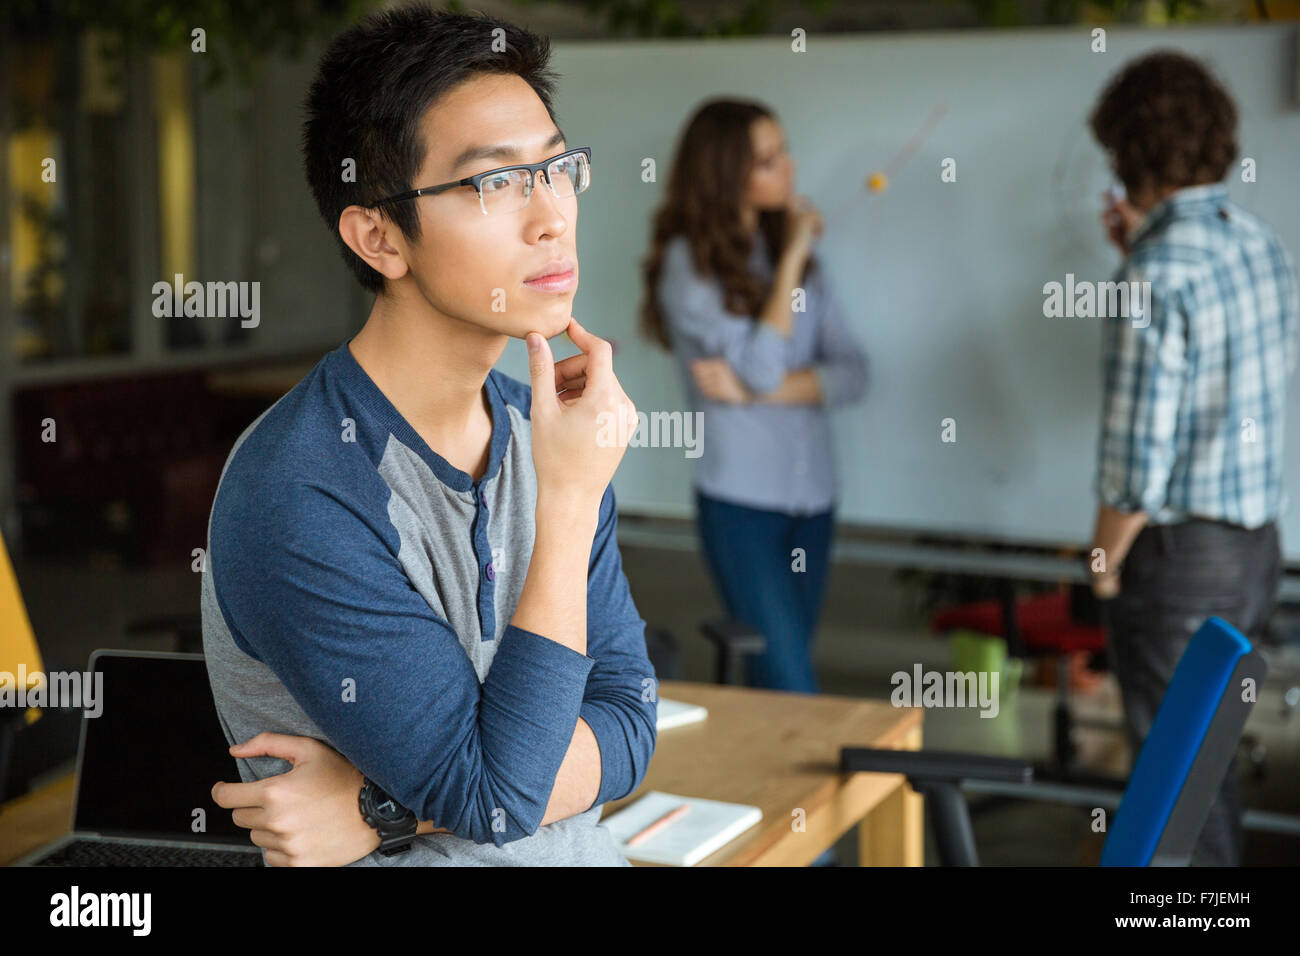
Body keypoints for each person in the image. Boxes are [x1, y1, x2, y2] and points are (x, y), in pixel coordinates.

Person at [200, 4, 656, 866]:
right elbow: (496, 797)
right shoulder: (298, 487)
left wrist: (381, 811)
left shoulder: (543, 431)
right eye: (494, 183)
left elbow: (631, 718)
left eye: (556, 168)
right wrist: (566, 499)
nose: (550, 215)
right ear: (378, 236)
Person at [1085, 50, 1299, 866]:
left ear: (1126, 155)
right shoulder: (1256, 242)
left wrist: (1103, 562)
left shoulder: (1153, 276)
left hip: (1181, 567)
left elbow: (1139, 465)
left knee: (1176, 792)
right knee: (1213, 770)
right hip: (1254, 549)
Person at [640, 99, 868, 694]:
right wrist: (794, 255)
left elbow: (853, 373)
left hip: (814, 497)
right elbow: (765, 368)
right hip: (740, 504)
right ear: (724, 173)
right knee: (793, 686)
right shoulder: (690, 267)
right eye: (768, 160)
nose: (789, 168)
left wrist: (756, 392)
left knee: (777, 691)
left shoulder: (788, 255)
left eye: (783, 151)